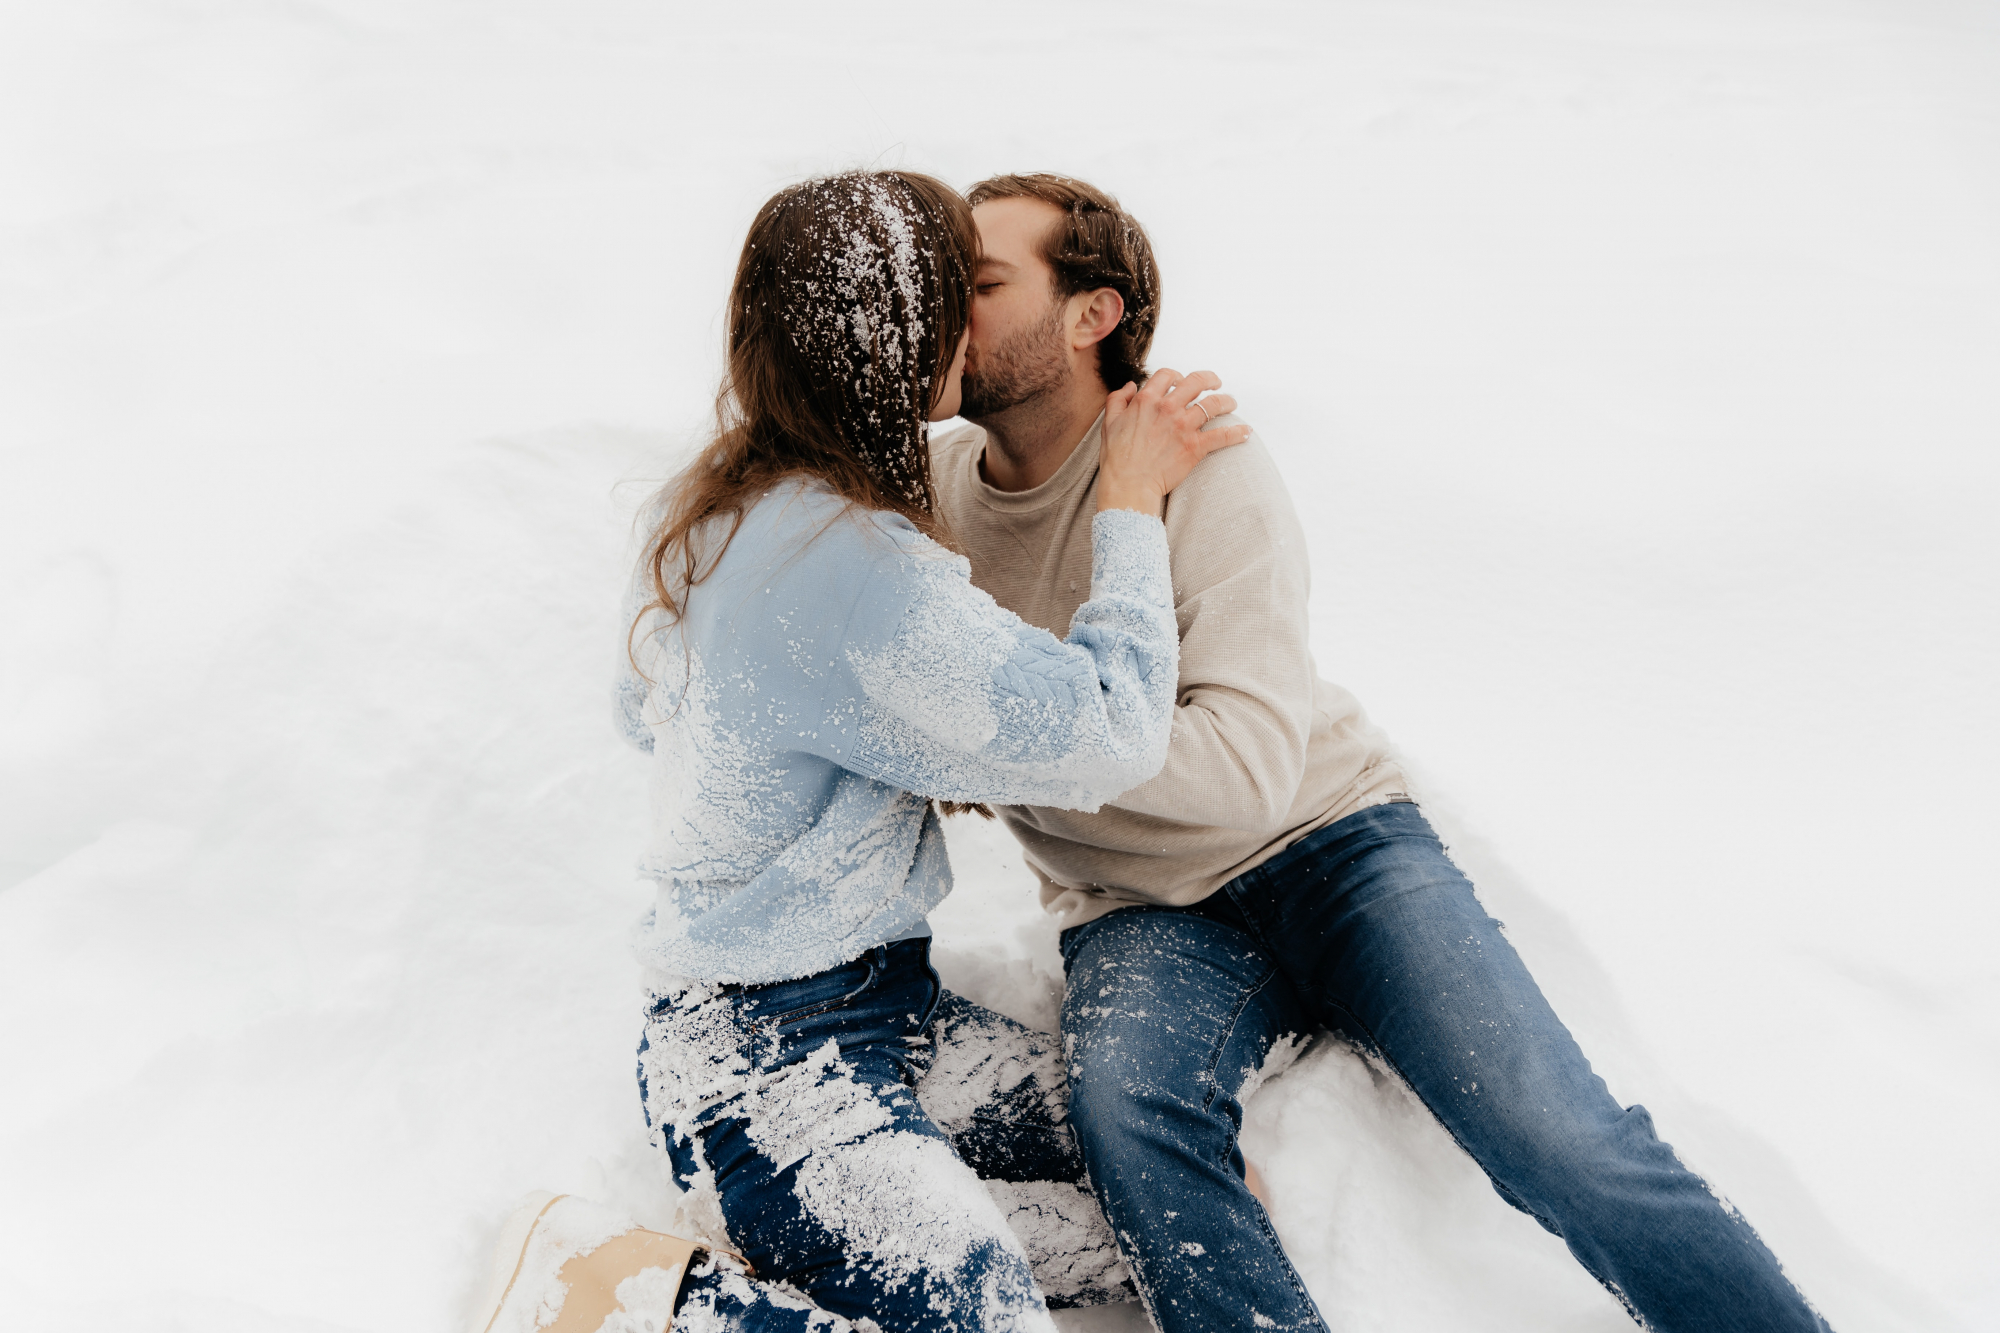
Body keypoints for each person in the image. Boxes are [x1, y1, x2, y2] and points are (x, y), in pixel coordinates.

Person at [928, 172, 1833, 1333]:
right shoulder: (931, 507)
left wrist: (1003, 736)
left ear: (1089, 315)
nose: (942, 307)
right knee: (1128, 1116)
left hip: (1330, 847)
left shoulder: (1204, 465)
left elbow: (1243, 771)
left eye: (984, 283)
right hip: (1135, 903)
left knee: (1562, 1139)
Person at [467, 170, 1249, 1333]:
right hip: (763, 1070)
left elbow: (647, 709)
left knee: (1145, 1207)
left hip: (882, 1008)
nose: (973, 331)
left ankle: (863, 1223)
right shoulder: (854, 568)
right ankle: (629, 1297)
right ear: (897, 337)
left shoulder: (729, 487)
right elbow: (1110, 731)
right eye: (956, 299)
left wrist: (851, 748)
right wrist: (1126, 504)